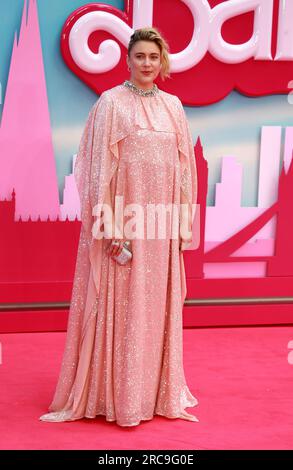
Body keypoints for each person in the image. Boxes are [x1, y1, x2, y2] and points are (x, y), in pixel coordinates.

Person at [39, 27, 199, 427]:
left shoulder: (174, 107)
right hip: (123, 225)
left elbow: (185, 172)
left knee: (152, 307)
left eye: (153, 57)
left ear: (162, 62)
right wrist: (109, 224)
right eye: (140, 56)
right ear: (128, 59)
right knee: (120, 305)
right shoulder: (110, 104)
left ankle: (153, 394)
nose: (146, 63)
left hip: (159, 227)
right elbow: (95, 169)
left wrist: (181, 225)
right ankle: (114, 396)